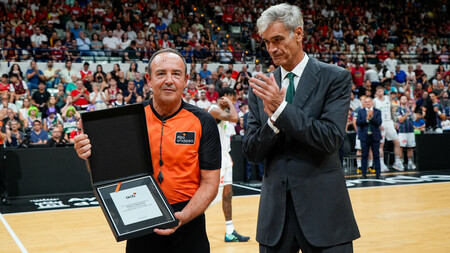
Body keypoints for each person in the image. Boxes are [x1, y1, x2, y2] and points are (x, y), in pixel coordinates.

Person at [74, 48, 221, 252]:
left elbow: (210, 183)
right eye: (161, 73)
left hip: (188, 223)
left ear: (185, 80)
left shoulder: (203, 121)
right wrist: (88, 156)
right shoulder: (129, 119)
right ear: (149, 79)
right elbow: (109, 176)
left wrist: (183, 216)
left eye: (176, 74)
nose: (169, 80)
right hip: (140, 220)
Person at [242, 4, 359, 252]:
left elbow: (330, 138)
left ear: (298, 34)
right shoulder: (262, 87)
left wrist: (281, 109)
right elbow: (251, 152)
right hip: (275, 218)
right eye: (266, 42)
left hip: (325, 214)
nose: (271, 49)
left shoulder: (335, 78)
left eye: (277, 39)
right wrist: (272, 122)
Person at [208, 87, 250, 242]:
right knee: (211, 198)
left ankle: (230, 231)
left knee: (228, 195)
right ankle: (188, 226)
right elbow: (234, 117)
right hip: (215, 160)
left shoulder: (224, 114)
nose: (235, 102)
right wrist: (230, 104)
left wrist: (228, 155)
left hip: (225, 158)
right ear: (226, 97)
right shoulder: (214, 110)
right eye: (233, 99)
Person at [373, 85, 403, 171]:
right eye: (378, 91)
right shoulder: (374, 101)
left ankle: (397, 163)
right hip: (381, 123)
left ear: (383, 91)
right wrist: (377, 124)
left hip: (389, 122)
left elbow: (392, 110)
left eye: (381, 91)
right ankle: (381, 164)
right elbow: (374, 114)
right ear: (376, 92)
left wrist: (395, 121)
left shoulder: (388, 98)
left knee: (397, 142)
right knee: (381, 144)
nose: (380, 92)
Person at [356, 97, 383, 179]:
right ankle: (363, 174)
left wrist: (371, 117)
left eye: (369, 102)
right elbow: (358, 123)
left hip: (375, 136)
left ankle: (378, 173)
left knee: (376, 155)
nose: (367, 103)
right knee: (364, 155)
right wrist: (366, 119)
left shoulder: (377, 111)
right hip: (364, 136)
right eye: (366, 102)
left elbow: (379, 122)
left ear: (372, 102)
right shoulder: (360, 111)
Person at [396, 95, 416, 170]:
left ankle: (410, 162)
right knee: (401, 147)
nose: (404, 100)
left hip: (410, 130)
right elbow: (401, 120)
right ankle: (400, 163)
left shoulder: (410, 109)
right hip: (402, 131)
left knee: (410, 147)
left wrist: (413, 112)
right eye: (402, 98)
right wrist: (407, 113)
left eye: (405, 98)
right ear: (400, 101)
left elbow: (414, 119)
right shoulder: (398, 109)